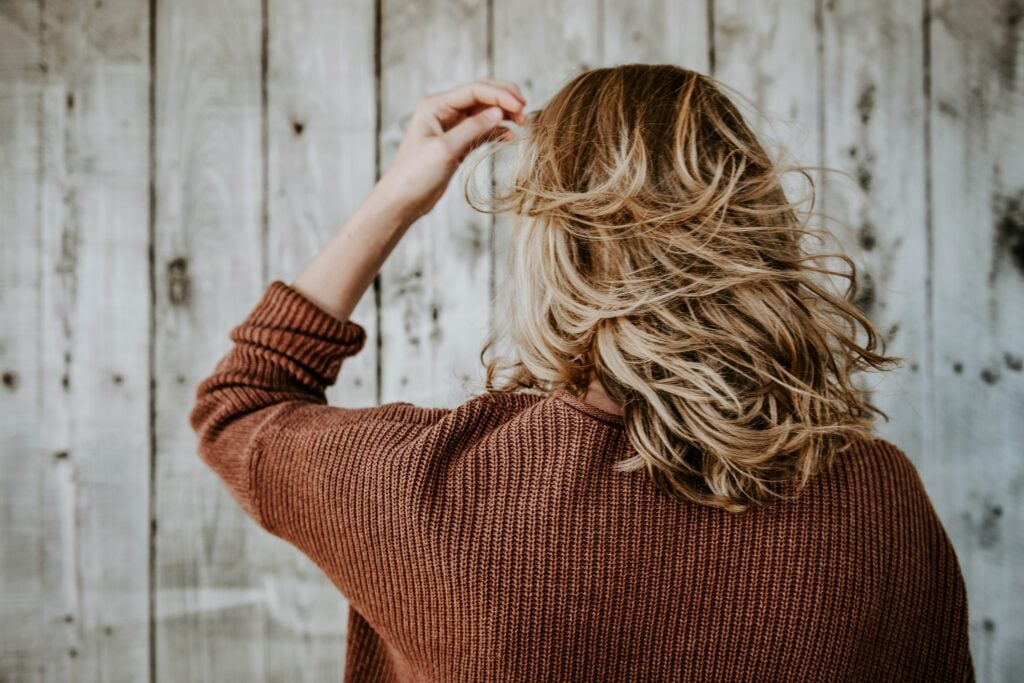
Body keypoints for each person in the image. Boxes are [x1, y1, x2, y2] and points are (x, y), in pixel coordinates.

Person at [190, 64, 974, 681]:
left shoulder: (435, 488)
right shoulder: (880, 501)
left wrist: (399, 194)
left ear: (557, 253)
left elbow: (242, 401)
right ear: (757, 234)